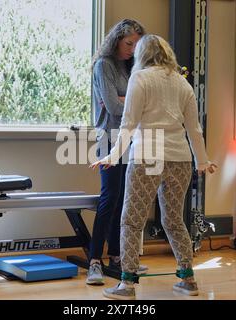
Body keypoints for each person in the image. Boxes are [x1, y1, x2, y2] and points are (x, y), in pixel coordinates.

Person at [91, 34, 217, 299]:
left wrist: (113, 156)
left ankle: (127, 284)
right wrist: (202, 160)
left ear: (142, 55)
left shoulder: (141, 78)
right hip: (180, 158)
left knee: (131, 220)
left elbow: (127, 122)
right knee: (173, 220)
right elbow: (194, 128)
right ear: (167, 54)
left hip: (148, 155)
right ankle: (188, 279)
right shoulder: (183, 83)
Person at [86, 19, 147, 286]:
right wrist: (129, 101)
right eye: (128, 43)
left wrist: (128, 101)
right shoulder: (104, 65)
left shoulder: (133, 66)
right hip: (108, 137)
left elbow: (144, 102)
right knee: (109, 198)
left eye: (136, 44)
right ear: (117, 41)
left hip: (130, 137)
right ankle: (94, 261)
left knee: (124, 199)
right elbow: (112, 107)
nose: (132, 49)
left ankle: (116, 256)